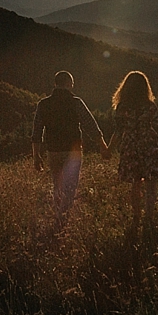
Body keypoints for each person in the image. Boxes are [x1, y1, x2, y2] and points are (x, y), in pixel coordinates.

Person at [31, 70, 110, 226]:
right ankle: (63, 218)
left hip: (53, 151)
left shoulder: (43, 104)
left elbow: (37, 131)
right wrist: (103, 146)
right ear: (70, 84)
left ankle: (59, 215)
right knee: (70, 186)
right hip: (72, 151)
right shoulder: (76, 102)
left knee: (57, 184)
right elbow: (91, 125)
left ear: (55, 84)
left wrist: (36, 156)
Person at [107, 71, 158, 239]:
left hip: (130, 147)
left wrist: (109, 149)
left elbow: (118, 131)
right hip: (149, 146)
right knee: (151, 185)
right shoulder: (149, 106)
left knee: (135, 184)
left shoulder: (122, 107)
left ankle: (136, 217)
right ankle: (148, 218)